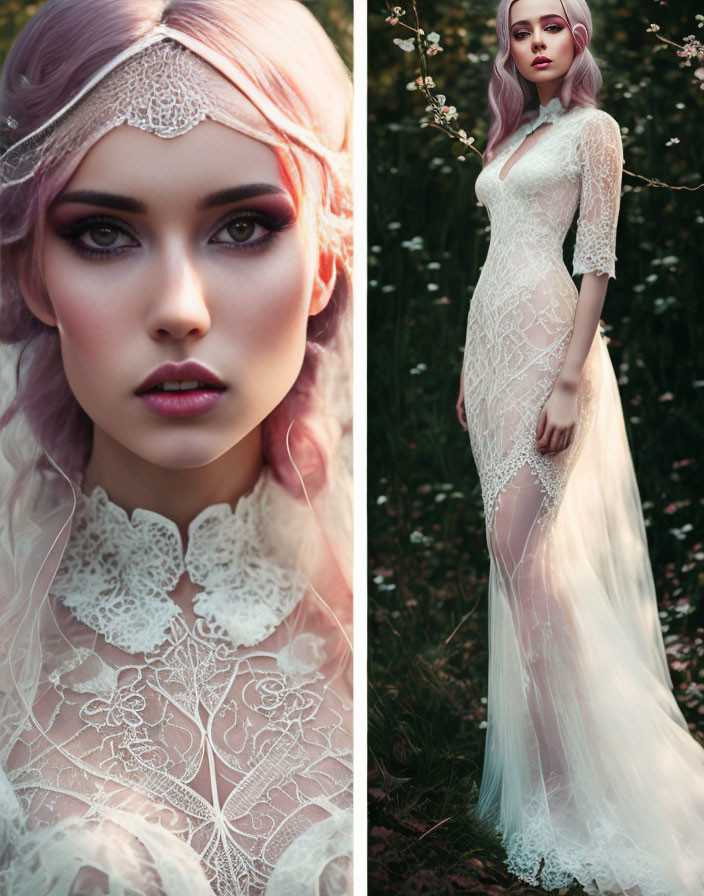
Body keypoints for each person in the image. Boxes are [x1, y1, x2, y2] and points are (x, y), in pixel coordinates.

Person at [0, 1, 353, 894]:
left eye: (243, 226)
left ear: (323, 259)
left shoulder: (403, 627)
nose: (181, 308)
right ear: (33, 273)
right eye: (103, 233)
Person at [456, 0, 704, 893]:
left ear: (579, 36)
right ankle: (550, 776)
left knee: (531, 565)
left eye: (549, 26)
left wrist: (568, 377)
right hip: (491, 351)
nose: (533, 42)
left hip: (550, 346)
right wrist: (468, 367)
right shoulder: (514, 136)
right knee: (511, 561)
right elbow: (496, 256)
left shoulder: (595, 129)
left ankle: (577, 794)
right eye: (520, 31)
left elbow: (594, 258)